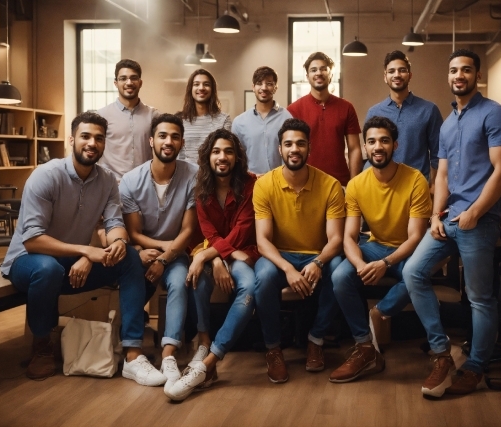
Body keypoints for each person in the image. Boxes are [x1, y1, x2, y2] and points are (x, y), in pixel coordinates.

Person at [1, 112, 166, 386]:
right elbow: (33, 240)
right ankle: (42, 344)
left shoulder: (107, 181)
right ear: (71, 140)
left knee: (130, 259)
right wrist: (86, 251)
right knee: (47, 268)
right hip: (27, 262)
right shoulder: (45, 176)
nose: (92, 143)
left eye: (99, 138)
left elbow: (115, 224)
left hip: (69, 261)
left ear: (104, 144)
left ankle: (133, 354)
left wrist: (116, 244)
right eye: (86, 136)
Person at [403, 49, 501, 397]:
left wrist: (476, 212)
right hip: (449, 218)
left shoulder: (494, 114)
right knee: (413, 272)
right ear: (448, 76)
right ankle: (441, 352)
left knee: (480, 298)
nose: (458, 76)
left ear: (476, 75)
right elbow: (443, 175)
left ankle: (475, 367)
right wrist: (437, 214)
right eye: (453, 70)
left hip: (478, 221)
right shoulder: (449, 123)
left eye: (466, 70)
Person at [330, 116, 431, 383]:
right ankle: (365, 347)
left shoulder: (415, 180)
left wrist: (385, 264)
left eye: (384, 140)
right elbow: (349, 237)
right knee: (340, 277)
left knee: (414, 275)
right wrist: (362, 266)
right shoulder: (356, 185)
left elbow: (416, 237)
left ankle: (380, 313)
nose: (378, 146)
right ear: (364, 147)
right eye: (372, 141)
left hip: (409, 251)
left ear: (395, 145)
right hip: (375, 246)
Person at [119, 113, 212, 391]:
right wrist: (152, 251)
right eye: (162, 135)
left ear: (182, 142)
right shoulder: (131, 180)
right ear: (151, 141)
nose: (168, 141)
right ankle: (131, 353)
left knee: (179, 281)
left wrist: (164, 257)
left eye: (174, 136)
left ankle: (168, 354)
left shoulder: (193, 174)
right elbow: (134, 233)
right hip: (142, 251)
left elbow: (186, 231)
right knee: (133, 273)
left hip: (177, 254)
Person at [165, 128, 259, 401]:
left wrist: (205, 255)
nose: (222, 157)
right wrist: (213, 258)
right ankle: (203, 341)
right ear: (207, 157)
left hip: (243, 251)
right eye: (216, 151)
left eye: (229, 151)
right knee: (198, 278)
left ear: (237, 157)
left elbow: (241, 232)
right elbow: (209, 232)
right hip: (219, 251)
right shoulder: (201, 189)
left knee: (249, 287)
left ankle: (209, 363)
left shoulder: (251, 185)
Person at [253, 118, 345, 383]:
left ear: (309, 148)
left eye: (301, 144)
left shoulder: (330, 185)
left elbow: (336, 239)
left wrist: (317, 262)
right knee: (265, 276)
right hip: (279, 256)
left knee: (340, 271)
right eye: (289, 144)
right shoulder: (264, 185)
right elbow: (263, 241)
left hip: (318, 255)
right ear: (279, 149)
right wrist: (288, 269)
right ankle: (273, 348)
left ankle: (315, 339)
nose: (295, 149)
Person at [365, 51, 443, 187]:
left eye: (402, 70)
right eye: (391, 71)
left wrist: (434, 184)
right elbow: (371, 152)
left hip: (418, 186)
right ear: (385, 77)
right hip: (382, 186)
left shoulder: (429, 110)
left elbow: (438, 154)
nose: (397, 75)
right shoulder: (374, 112)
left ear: (410, 75)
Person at [287, 52, 362, 186]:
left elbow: (354, 148)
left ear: (331, 74)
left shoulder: (346, 107)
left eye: (324, 69)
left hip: (340, 183)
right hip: (305, 184)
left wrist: (354, 184)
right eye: (313, 70)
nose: (319, 73)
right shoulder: (294, 110)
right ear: (307, 76)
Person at [98, 59, 159, 181]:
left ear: (140, 82)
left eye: (133, 78)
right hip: (113, 186)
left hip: (144, 184)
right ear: (116, 83)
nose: (129, 82)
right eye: (123, 78)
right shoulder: (102, 116)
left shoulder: (154, 116)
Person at [232, 66, 292, 176]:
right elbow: (236, 158)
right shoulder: (239, 122)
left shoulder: (287, 119)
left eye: (269, 83)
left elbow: (290, 153)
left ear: (275, 87)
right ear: (253, 87)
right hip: (250, 184)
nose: (264, 87)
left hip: (280, 182)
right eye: (259, 83)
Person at [178, 69, 232, 163]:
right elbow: (178, 155)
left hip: (213, 176)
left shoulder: (224, 120)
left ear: (212, 89)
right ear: (190, 89)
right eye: (196, 84)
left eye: (206, 84)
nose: (201, 88)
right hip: (185, 175)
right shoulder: (180, 120)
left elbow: (225, 152)